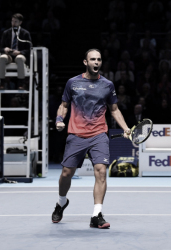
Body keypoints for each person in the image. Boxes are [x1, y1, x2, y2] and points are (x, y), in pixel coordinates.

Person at [52, 49, 130, 228]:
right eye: (92, 59)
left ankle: (97, 215)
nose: (96, 62)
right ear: (85, 62)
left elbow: (114, 109)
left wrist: (125, 128)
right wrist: (58, 119)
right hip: (76, 134)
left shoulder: (107, 85)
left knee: (101, 171)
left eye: (99, 59)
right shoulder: (73, 83)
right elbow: (64, 106)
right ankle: (62, 202)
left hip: (99, 134)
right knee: (66, 173)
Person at [0, 13, 32, 82]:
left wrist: (20, 52)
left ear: (20, 22)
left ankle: (21, 83)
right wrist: (5, 49)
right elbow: (1, 48)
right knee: (2, 58)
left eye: (15, 21)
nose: (13, 23)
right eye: (12, 21)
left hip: (19, 55)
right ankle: (2, 82)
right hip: (9, 55)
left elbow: (29, 49)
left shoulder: (25, 33)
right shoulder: (6, 33)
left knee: (20, 58)